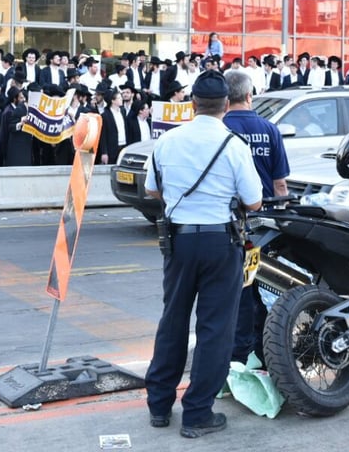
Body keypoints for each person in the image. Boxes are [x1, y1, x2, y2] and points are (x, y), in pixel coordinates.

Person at [144, 70, 262, 438]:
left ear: (192, 104)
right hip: (220, 243)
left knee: (173, 320)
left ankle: (160, 406)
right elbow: (254, 201)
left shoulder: (167, 141)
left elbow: (152, 190)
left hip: (178, 242)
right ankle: (197, 412)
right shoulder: (234, 145)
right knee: (215, 329)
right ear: (227, 105)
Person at [222, 69, 290, 366]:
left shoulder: (219, 128)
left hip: (226, 224)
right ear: (250, 96)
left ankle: (237, 353)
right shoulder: (269, 129)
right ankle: (260, 352)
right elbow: (280, 186)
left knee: (233, 291)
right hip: (262, 225)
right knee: (260, 288)